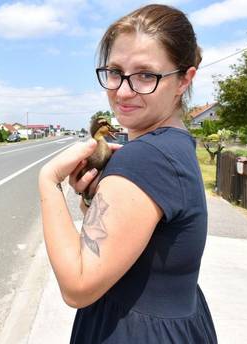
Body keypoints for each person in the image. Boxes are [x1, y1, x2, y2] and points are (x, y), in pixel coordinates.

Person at [38, 4, 217, 343]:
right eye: (115, 71)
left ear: (184, 79)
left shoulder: (145, 158)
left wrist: (48, 182)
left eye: (146, 75)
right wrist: (93, 199)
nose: (122, 91)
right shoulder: (176, 144)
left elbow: (77, 286)